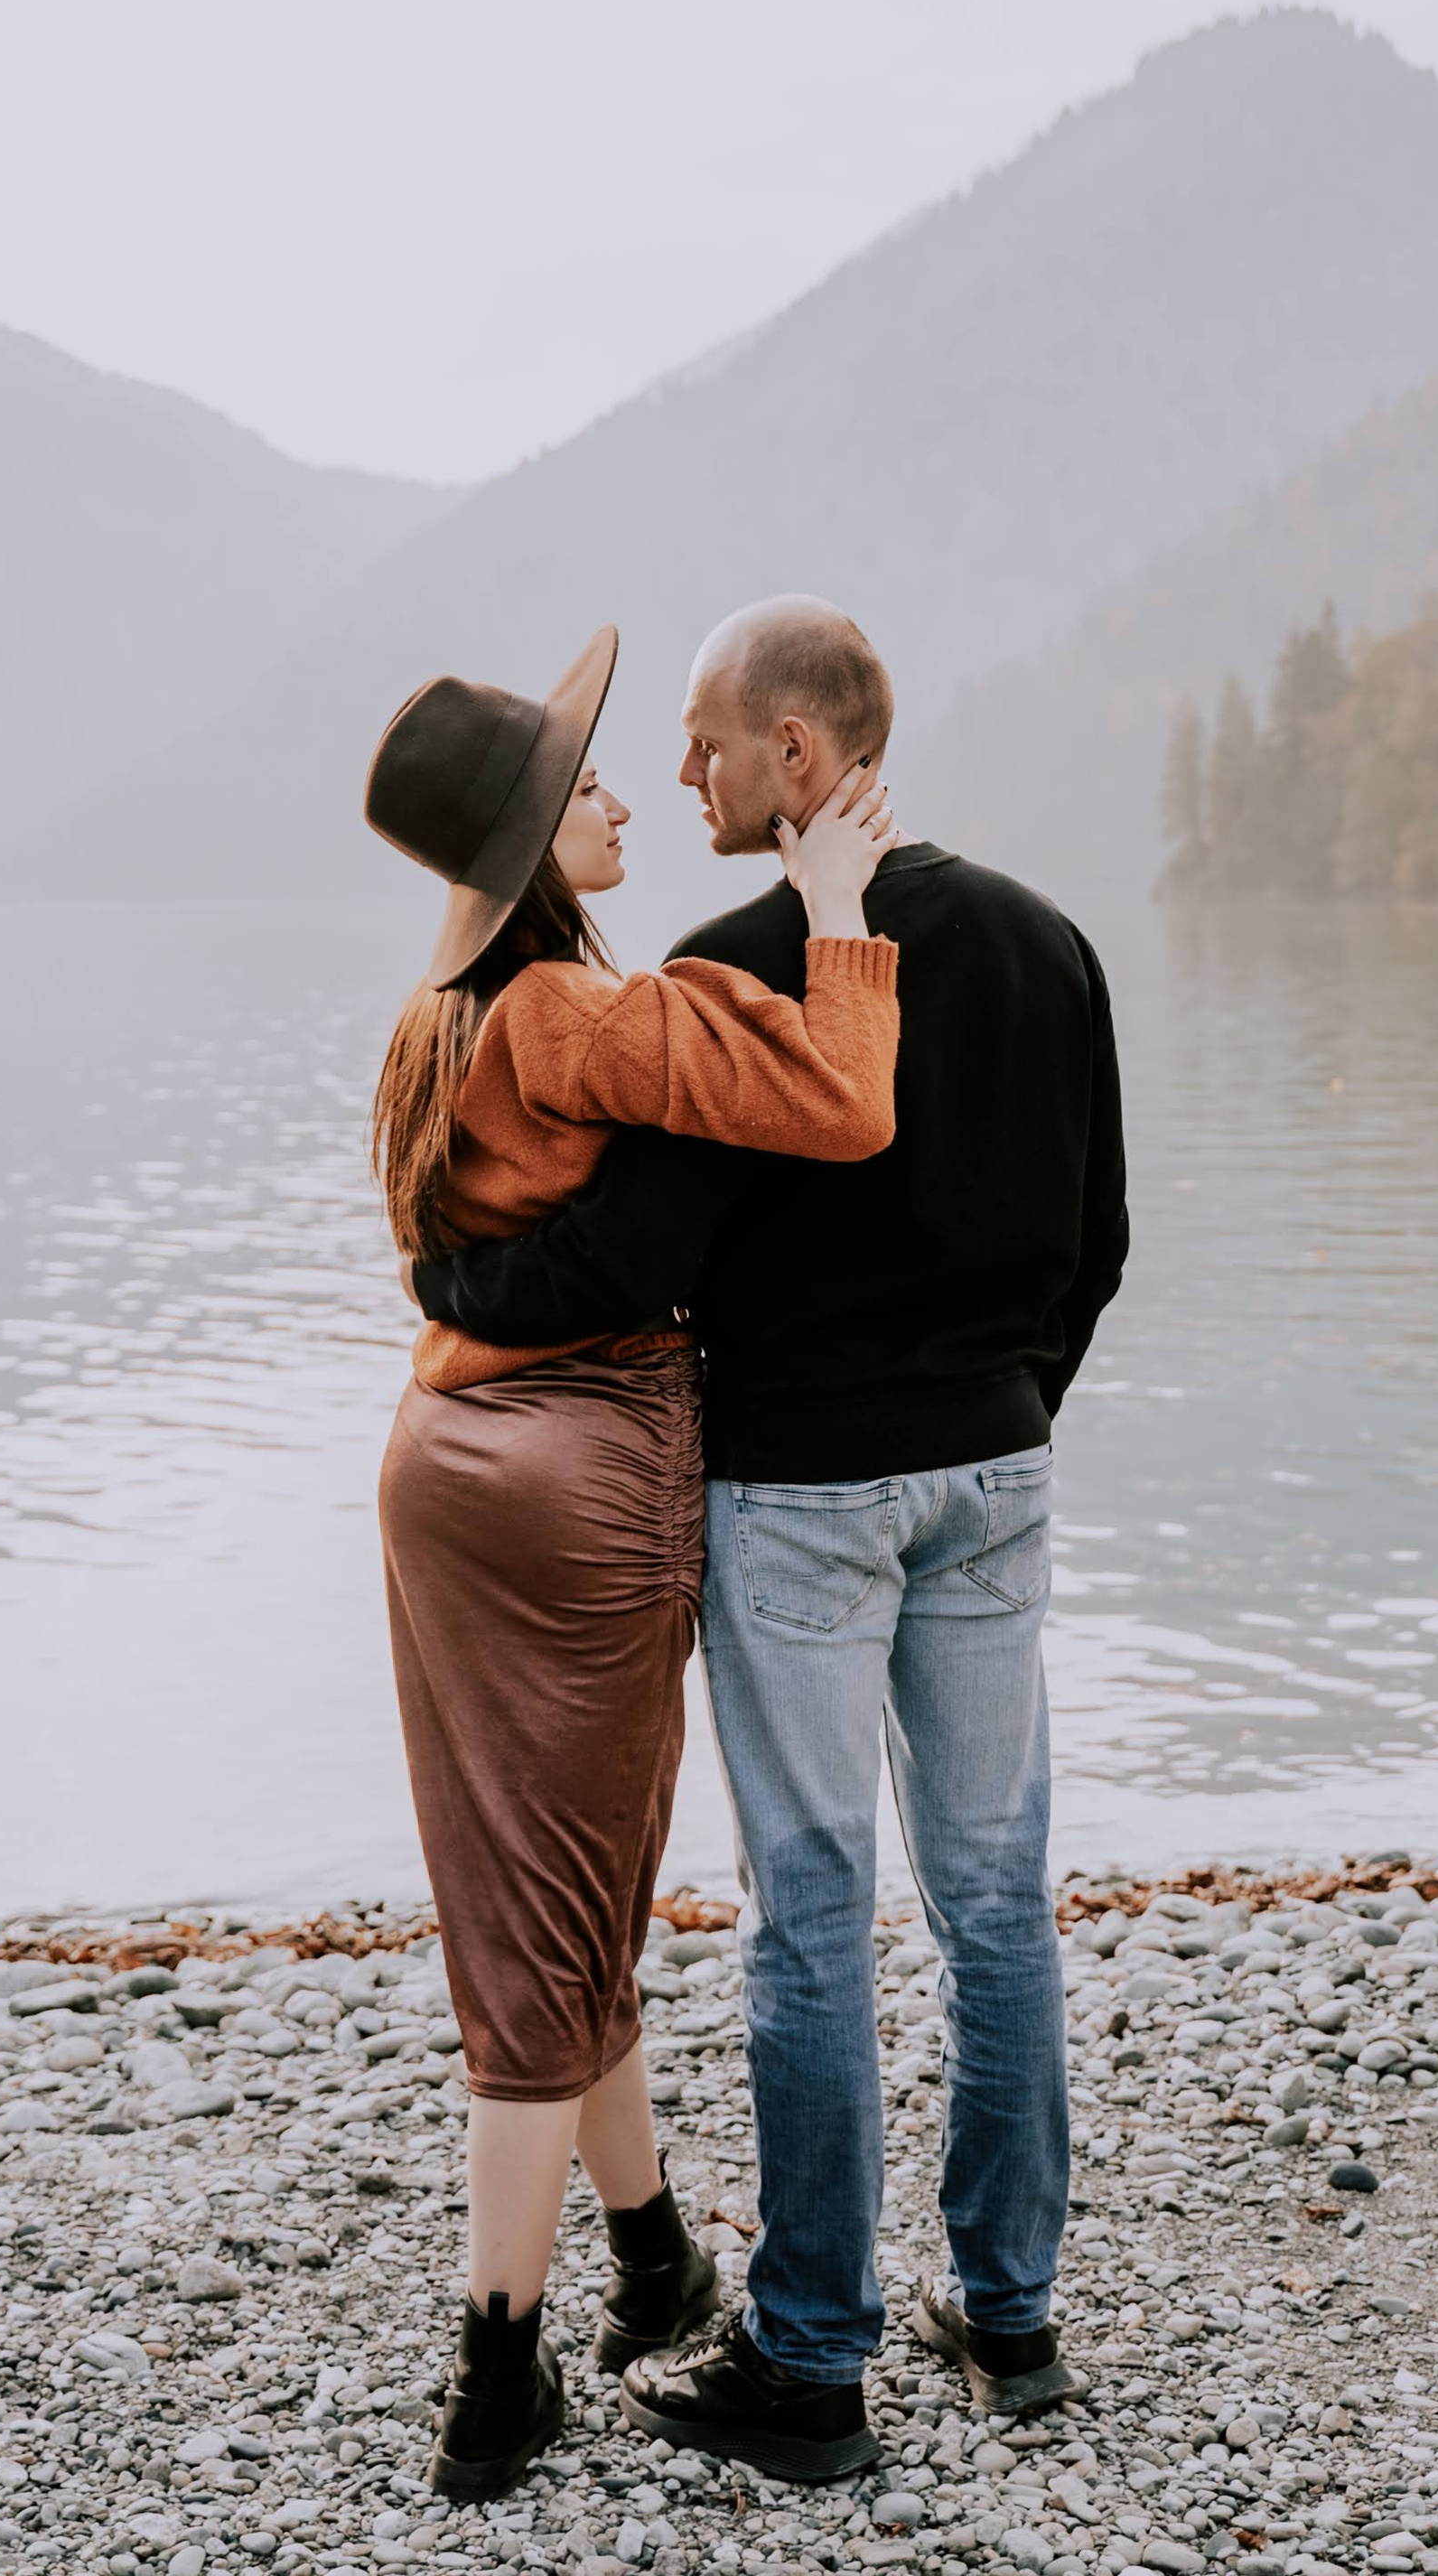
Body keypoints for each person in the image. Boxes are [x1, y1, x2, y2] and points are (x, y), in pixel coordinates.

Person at [412, 595, 1129, 2483]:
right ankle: (1012, 2309)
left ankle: (809, 2358)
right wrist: (1008, 1404)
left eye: (712, 739)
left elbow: (626, 1259)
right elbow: (1098, 1232)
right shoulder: (1050, 944)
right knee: (996, 1897)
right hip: (994, 1475)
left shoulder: (743, 962)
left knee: (810, 1920)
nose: (682, 765)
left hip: (800, 1493)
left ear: (800, 756)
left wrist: (454, 1274)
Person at [361, 621, 902, 2505]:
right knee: (551, 1925)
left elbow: (452, 1255)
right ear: (526, 846)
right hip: (579, 1481)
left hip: (441, 1465)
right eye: (576, 781)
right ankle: (493, 2373)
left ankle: (651, 2244)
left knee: (539, 1891)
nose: (612, 792)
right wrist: (836, 909)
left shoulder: (433, 1024)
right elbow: (843, 1097)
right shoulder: (575, 1012)